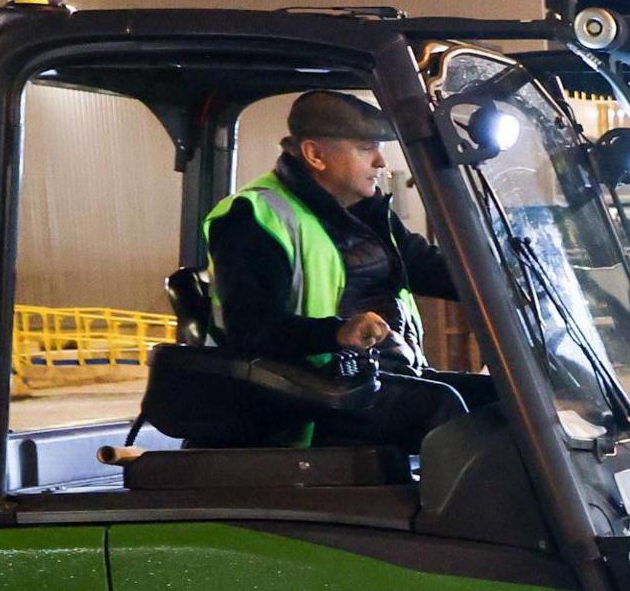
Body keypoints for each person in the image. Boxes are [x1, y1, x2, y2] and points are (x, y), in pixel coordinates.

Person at [188, 89, 471, 452]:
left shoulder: (367, 214)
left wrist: (516, 286)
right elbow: (251, 328)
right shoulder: (253, 218)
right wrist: (338, 333)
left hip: (374, 378)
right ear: (315, 155)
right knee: (442, 412)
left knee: (496, 401)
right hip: (302, 400)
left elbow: (434, 268)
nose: (381, 162)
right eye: (367, 148)